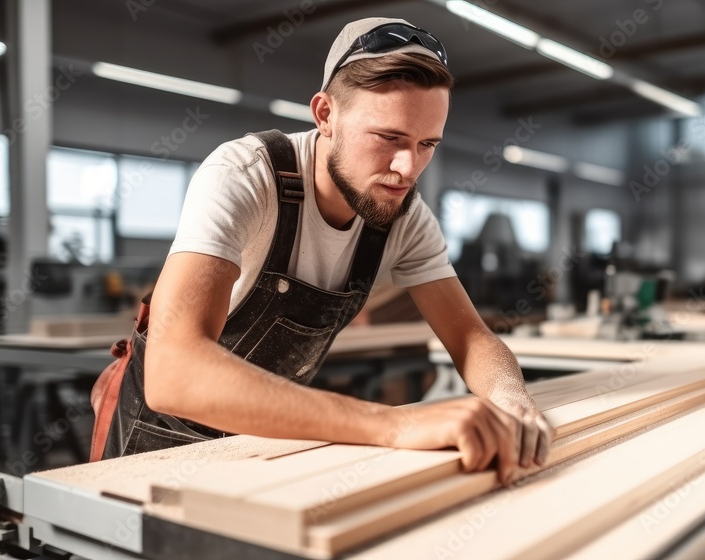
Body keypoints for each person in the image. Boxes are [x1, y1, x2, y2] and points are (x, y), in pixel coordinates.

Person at [90, 17, 552, 486]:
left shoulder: (401, 213)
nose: (407, 167)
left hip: (261, 448)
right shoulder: (244, 176)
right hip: (153, 453)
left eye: (426, 144)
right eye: (389, 138)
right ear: (325, 114)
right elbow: (174, 373)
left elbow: (471, 338)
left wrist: (508, 397)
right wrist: (395, 424)